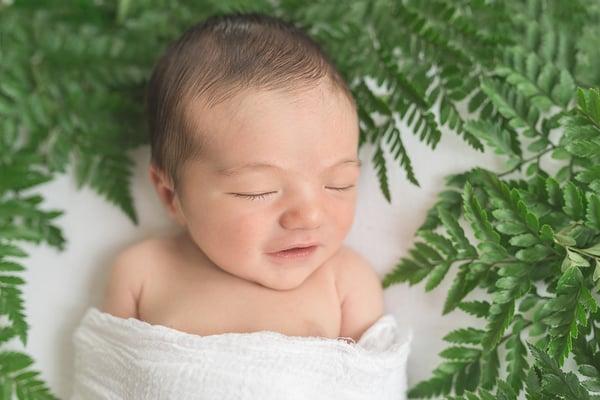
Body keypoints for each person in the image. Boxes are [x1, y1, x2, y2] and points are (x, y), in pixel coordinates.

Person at [101, 11, 384, 343]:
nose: (309, 215)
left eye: (339, 184)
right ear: (170, 195)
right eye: (257, 191)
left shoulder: (345, 282)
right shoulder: (143, 273)